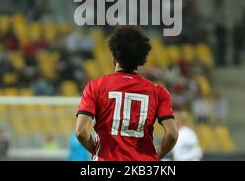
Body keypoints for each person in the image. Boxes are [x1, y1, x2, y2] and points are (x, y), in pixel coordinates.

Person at [75, 26, 178, 161]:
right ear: (141, 59)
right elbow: (172, 134)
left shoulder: (95, 87)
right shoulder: (159, 92)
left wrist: (97, 151)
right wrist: (155, 156)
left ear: (114, 56)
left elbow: (81, 131)